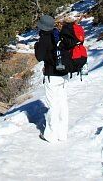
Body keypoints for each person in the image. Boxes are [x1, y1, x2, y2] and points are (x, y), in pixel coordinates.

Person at [33, 14, 69, 142]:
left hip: (52, 75)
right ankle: (63, 133)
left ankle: (51, 135)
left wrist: (36, 46)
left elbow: (39, 57)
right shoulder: (58, 35)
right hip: (64, 74)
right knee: (62, 103)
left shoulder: (44, 39)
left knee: (53, 105)